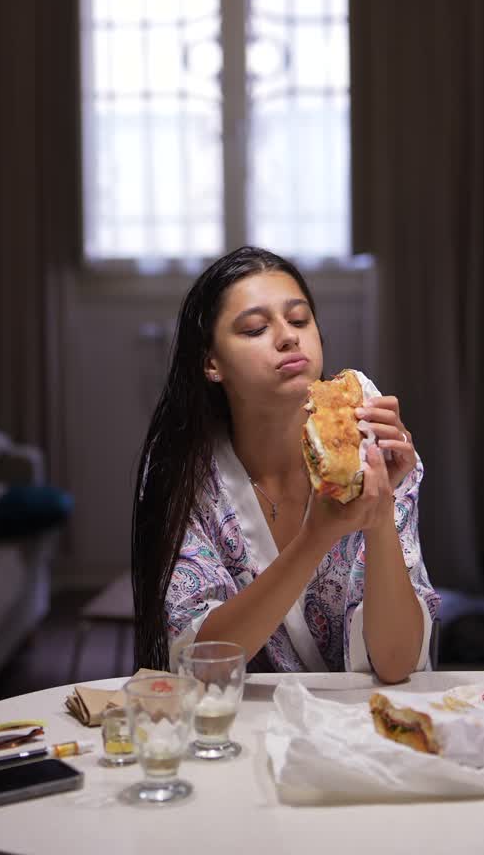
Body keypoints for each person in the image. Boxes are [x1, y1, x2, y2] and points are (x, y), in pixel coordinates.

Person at [131, 246, 439, 683]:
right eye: (256, 328)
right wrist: (316, 537)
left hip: (367, 725)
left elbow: (397, 663)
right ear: (211, 363)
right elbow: (201, 665)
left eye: (299, 320)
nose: (288, 337)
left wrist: (380, 513)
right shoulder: (184, 475)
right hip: (247, 729)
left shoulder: (375, 446)